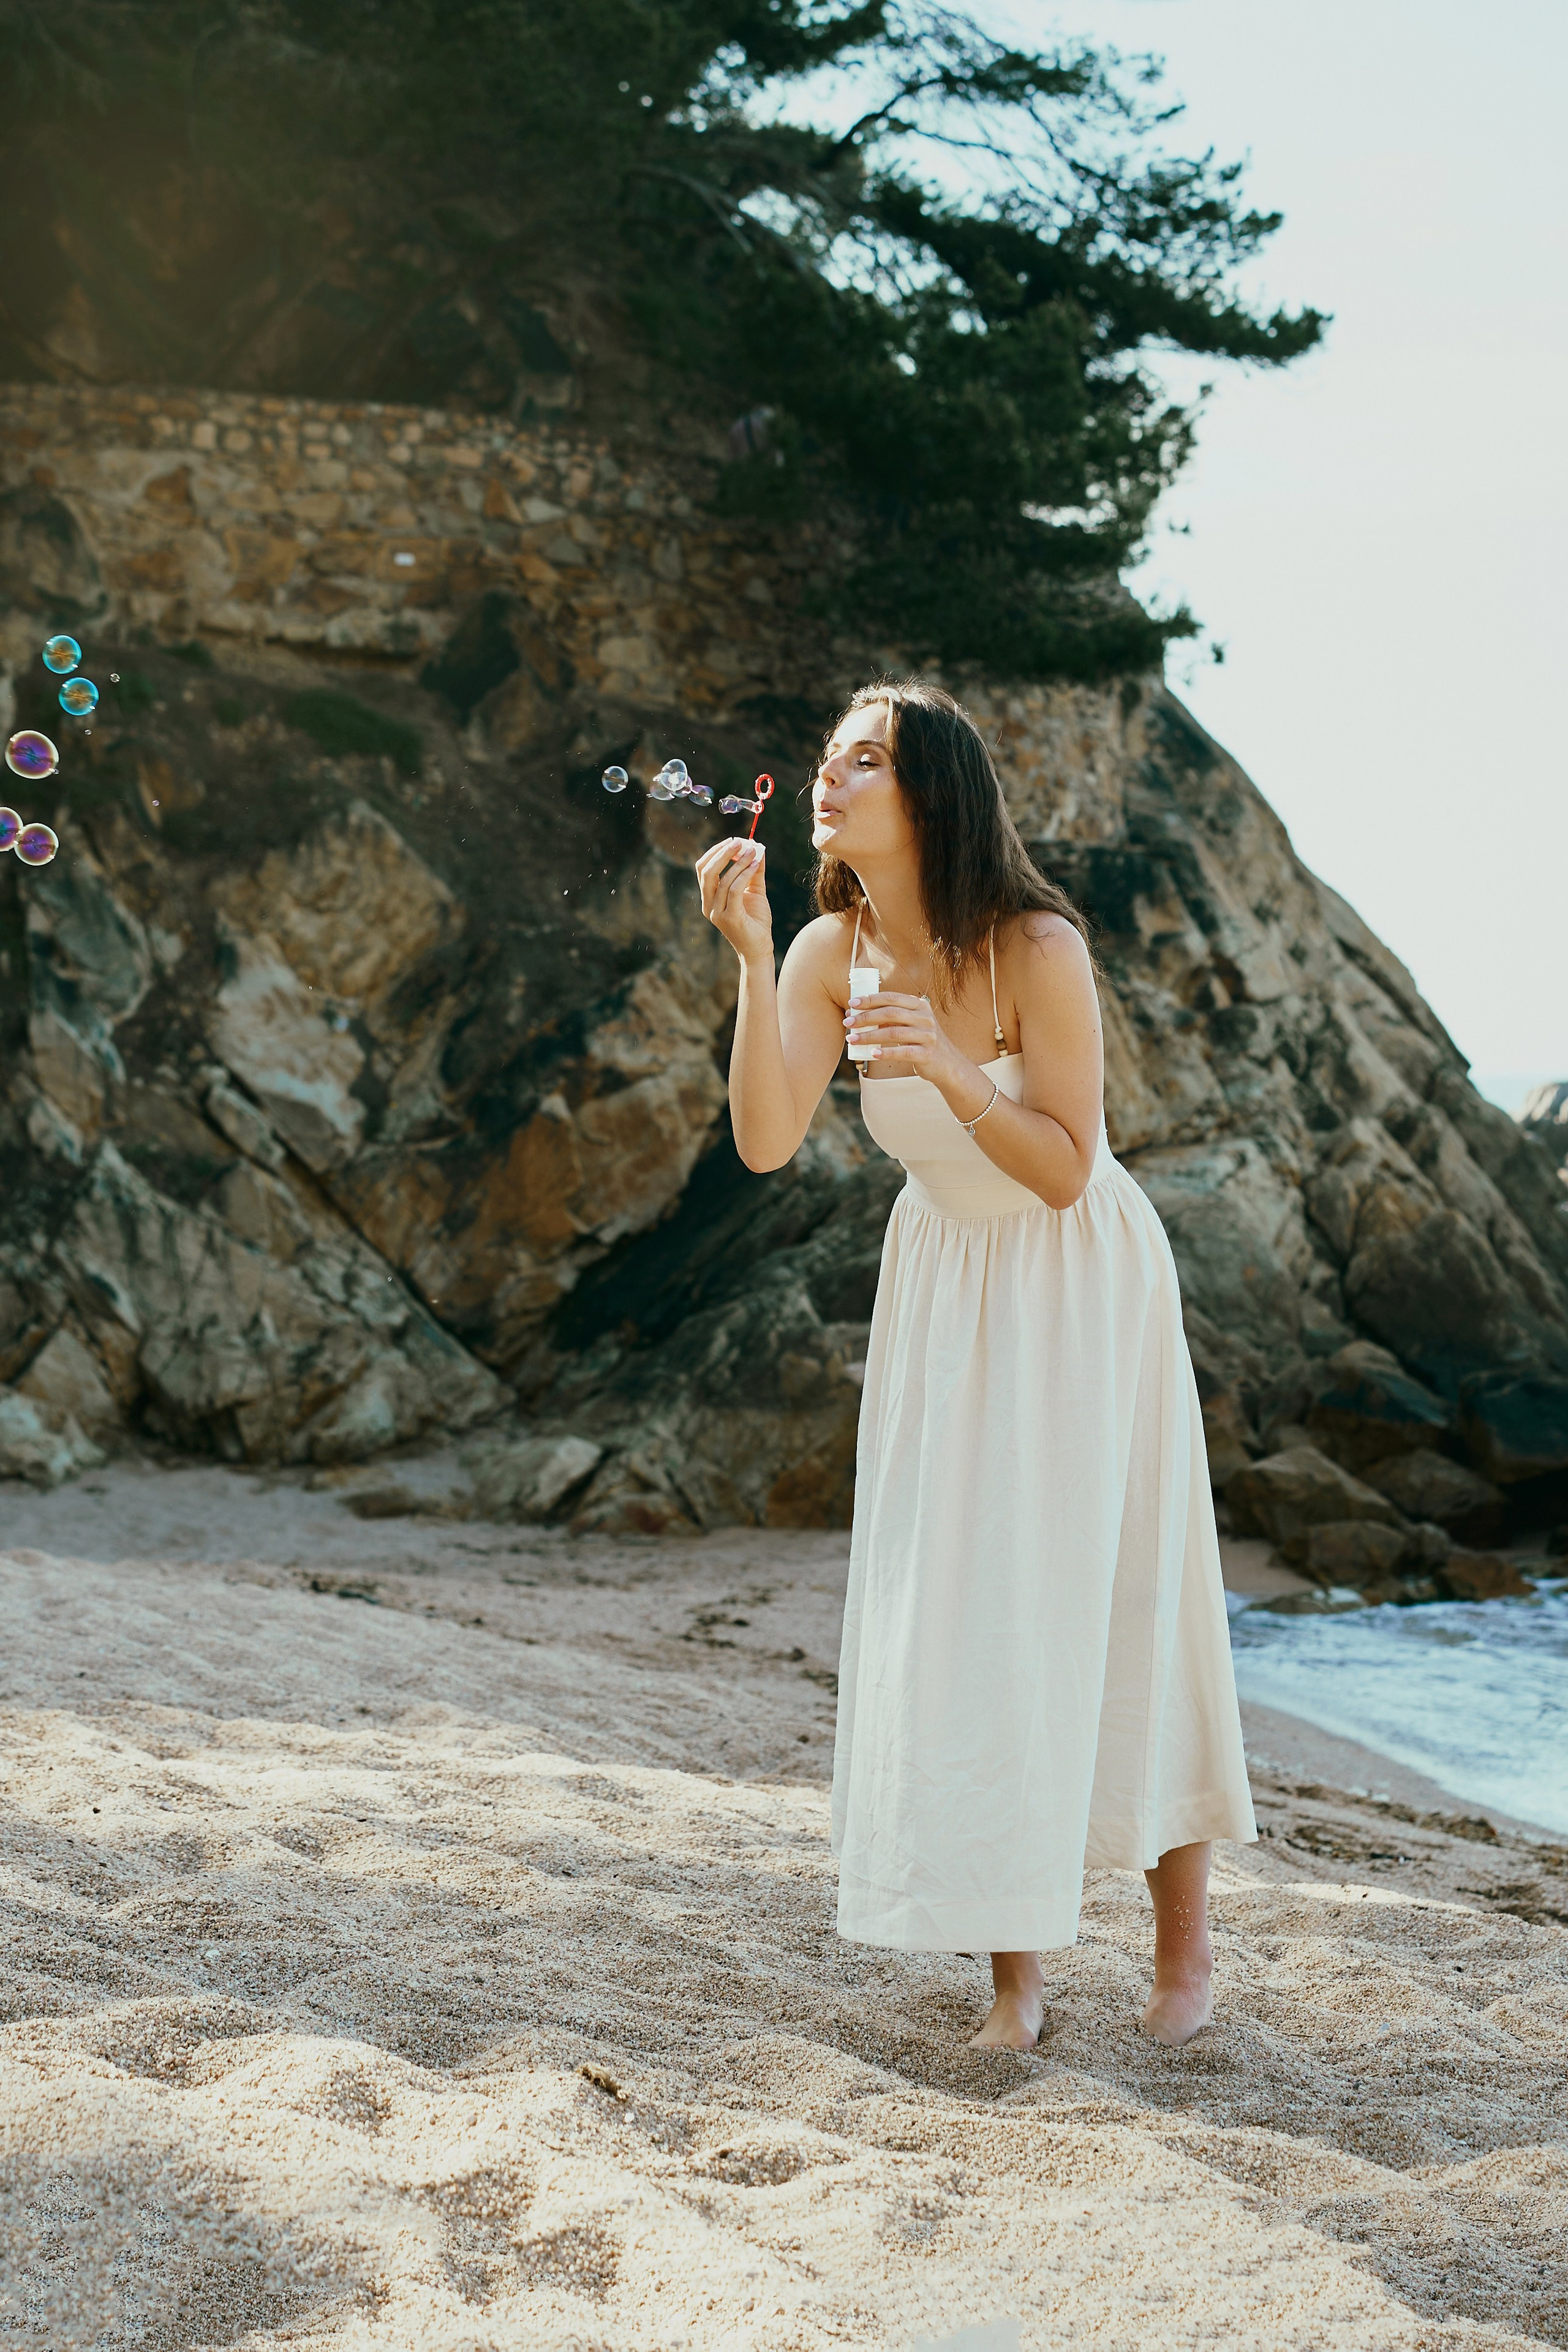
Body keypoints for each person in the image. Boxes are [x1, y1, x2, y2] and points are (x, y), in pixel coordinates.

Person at [695, 679, 1256, 2051]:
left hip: (1076, 1283)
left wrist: (951, 1067)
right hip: (946, 1280)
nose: (828, 779)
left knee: (1129, 1595)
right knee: (973, 1610)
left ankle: (1181, 1964)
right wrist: (755, 964)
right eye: (826, 758)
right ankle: (1018, 1980)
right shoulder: (832, 950)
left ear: (931, 791)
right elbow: (766, 1143)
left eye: (865, 758)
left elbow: (1065, 1169)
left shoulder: (1034, 947)